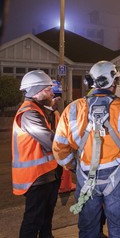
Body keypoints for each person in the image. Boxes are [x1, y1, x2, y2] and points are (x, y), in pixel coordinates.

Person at [52, 60, 120, 238]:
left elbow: (59, 147)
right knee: (118, 229)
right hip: (117, 177)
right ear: (114, 82)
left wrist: (71, 165)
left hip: (86, 175)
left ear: (91, 81)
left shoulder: (72, 109)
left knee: (88, 229)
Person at [12, 70, 61, 237]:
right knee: (33, 222)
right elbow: (51, 141)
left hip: (46, 175)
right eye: (48, 90)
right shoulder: (29, 114)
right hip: (35, 178)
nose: (51, 93)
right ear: (36, 92)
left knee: (45, 219)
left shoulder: (38, 110)